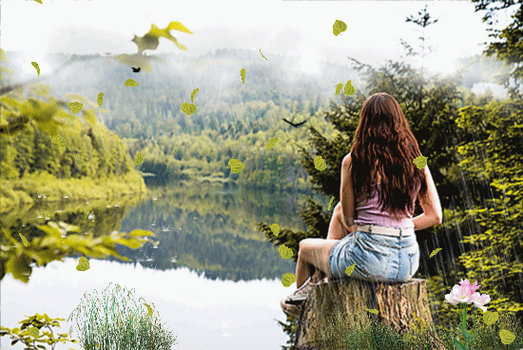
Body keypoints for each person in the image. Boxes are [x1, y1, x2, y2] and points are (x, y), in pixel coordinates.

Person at [280, 92, 443, 318]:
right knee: (337, 210)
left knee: (305, 248)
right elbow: (435, 216)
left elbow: (349, 219)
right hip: (407, 262)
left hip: (370, 261)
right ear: (399, 122)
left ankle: (304, 307)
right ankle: (319, 281)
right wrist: (397, 228)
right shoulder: (416, 162)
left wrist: (373, 231)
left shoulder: (354, 161)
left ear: (365, 123)